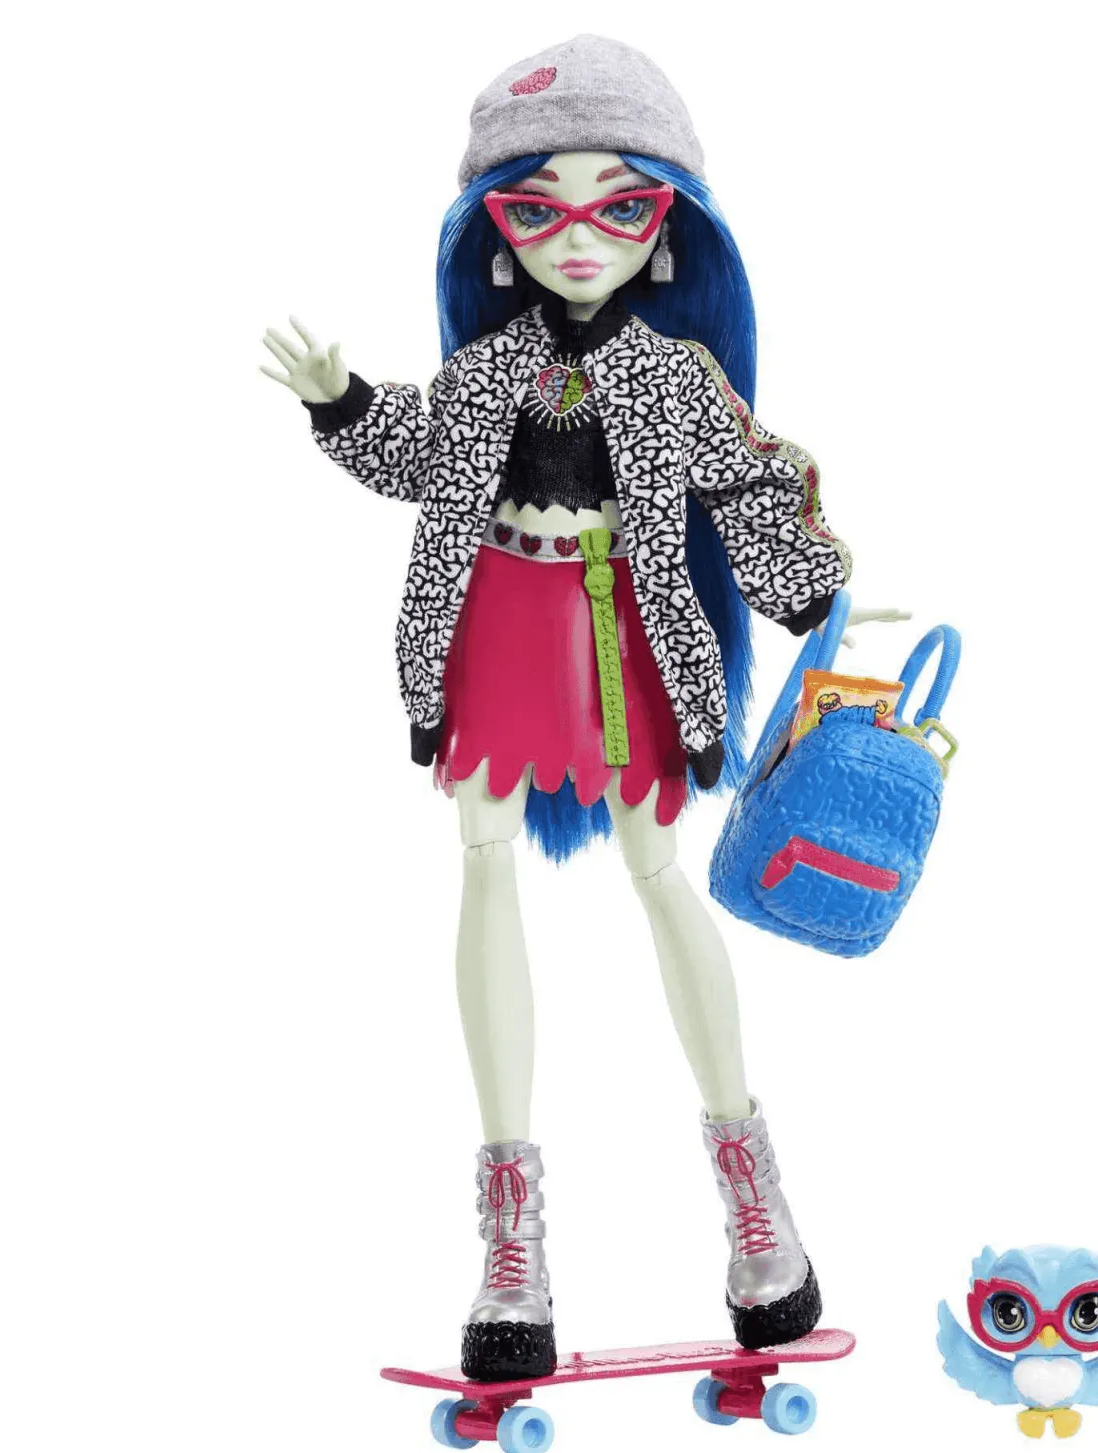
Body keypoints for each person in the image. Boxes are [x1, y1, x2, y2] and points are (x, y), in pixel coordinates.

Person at [260, 34, 851, 1381]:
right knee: (485, 871)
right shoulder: (485, 373)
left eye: (619, 206)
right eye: (538, 210)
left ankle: (756, 1201)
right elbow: (418, 452)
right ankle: (510, 1239)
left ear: (668, 230)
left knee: (660, 875)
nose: (578, 235)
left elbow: (753, 484)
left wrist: (812, 591)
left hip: (625, 636)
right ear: (494, 233)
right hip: (497, 627)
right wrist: (341, 403)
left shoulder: (679, 378)